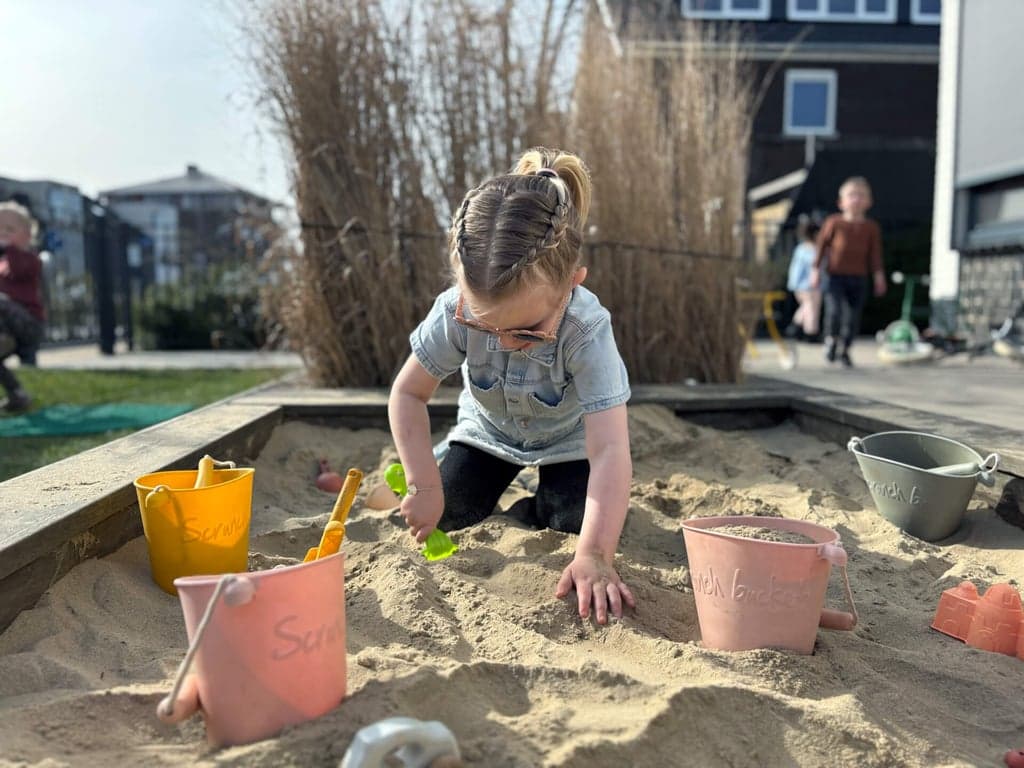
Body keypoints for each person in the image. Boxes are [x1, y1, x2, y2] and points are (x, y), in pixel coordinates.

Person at [388, 147, 635, 625]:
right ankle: (443, 469)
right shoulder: (455, 310)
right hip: (487, 434)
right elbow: (408, 393)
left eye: (527, 331)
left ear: (572, 284)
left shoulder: (586, 331)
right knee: (448, 513)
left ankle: (536, 504)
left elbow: (609, 448)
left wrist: (595, 555)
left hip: (569, 443)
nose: (504, 342)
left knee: (571, 526)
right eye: (484, 327)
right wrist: (422, 484)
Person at [810, 176, 886, 367]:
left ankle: (845, 348)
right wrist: (815, 270)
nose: (856, 199)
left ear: (868, 202)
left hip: (858, 276)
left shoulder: (870, 227)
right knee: (834, 311)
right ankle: (831, 340)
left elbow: (875, 254)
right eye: (852, 195)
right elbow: (821, 246)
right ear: (841, 202)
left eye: (861, 195)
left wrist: (878, 276)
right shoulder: (834, 222)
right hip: (835, 275)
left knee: (852, 316)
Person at [0, 201, 45, 412]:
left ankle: (4, 337)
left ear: (27, 234)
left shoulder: (30, 259)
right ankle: (17, 395)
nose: (3, 234)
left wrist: (9, 248)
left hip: (28, 324)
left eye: (9, 229)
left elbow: (18, 269)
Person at [785, 217, 822, 341]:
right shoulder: (812, 250)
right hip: (809, 285)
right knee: (812, 308)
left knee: (806, 306)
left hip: (801, 285)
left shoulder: (801, 249)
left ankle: (794, 328)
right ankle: (811, 332)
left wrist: (793, 284)